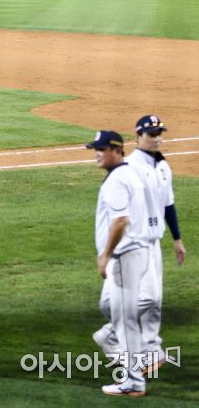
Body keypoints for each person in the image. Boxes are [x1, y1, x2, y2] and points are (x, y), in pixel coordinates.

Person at [93, 115, 186, 377]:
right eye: (150, 133)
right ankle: (114, 338)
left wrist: (177, 239)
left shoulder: (163, 166)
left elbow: (168, 204)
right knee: (128, 300)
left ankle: (149, 350)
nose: (156, 137)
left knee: (152, 301)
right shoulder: (129, 166)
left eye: (159, 132)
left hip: (153, 242)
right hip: (131, 244)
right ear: (138, 135)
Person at [86, 130, 150, 397]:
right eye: (95, 149)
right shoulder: (126, 175)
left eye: (101, 149)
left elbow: (120, 221)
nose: (97, 154)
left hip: (123, 257)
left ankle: (133, 379)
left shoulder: (116, 180)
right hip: (134, 255)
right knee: (108, 308)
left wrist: (105, 255)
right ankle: (127, 348)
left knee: (121, 321)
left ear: (116, 149)